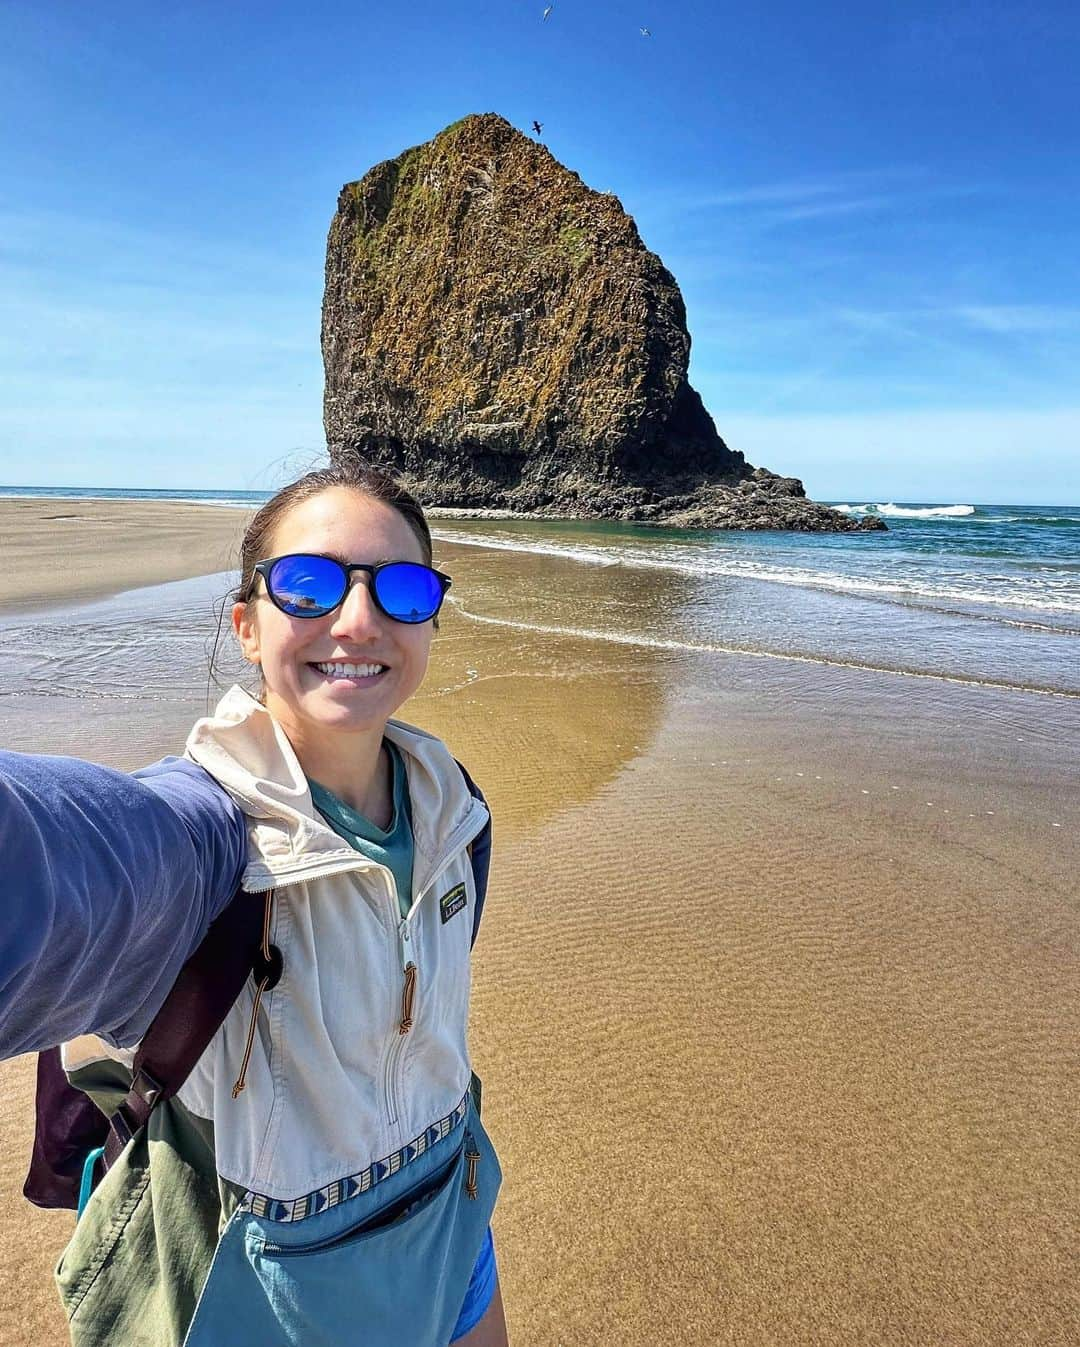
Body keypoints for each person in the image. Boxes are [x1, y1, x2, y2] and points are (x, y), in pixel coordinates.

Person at [0, 459, 508, 1347]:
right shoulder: (200, 839)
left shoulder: (456, 808)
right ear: (245, 622)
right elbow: (53, 859)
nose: (358, 619)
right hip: (266, 1286)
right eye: (307, 585)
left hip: (453, 1218)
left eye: (402, 587)